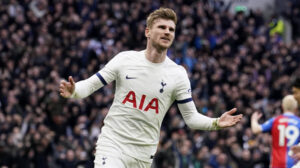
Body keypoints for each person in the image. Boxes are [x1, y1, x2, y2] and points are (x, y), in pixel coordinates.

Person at [59, 8, 243, 168]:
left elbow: (191, 118)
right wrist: (74, 91)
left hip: (143, 154)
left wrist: (216, 122)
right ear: (148, 32)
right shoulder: (125, 59)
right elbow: (90, 85)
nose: (167, 32)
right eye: (162, 27)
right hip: (112, 144)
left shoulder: (177, 74)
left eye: (171, 29)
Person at [251, 95, 300, 168]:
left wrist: (253, 119)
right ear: (296, 108)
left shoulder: (275, 120)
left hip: (276, 163)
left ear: (282, 106)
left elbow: (256, 129)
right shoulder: (299, 122)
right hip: (294, 163)